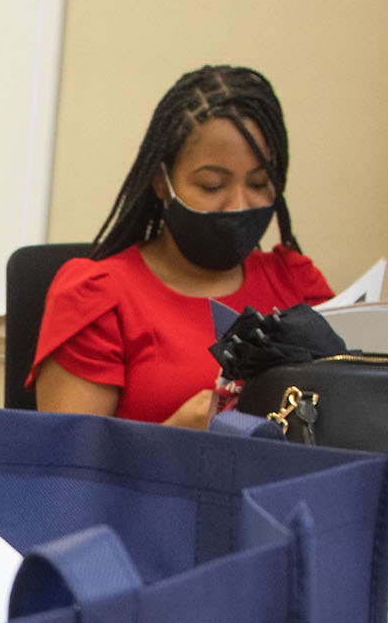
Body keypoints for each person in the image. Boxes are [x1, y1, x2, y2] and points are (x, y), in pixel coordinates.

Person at [30, 65, 332, 428]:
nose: (238, 205)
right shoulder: (98, 298)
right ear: (161, 182)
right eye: (211, 185)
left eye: (258, 183)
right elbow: (68, 470)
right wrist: (176, 436)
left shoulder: (297, 283)